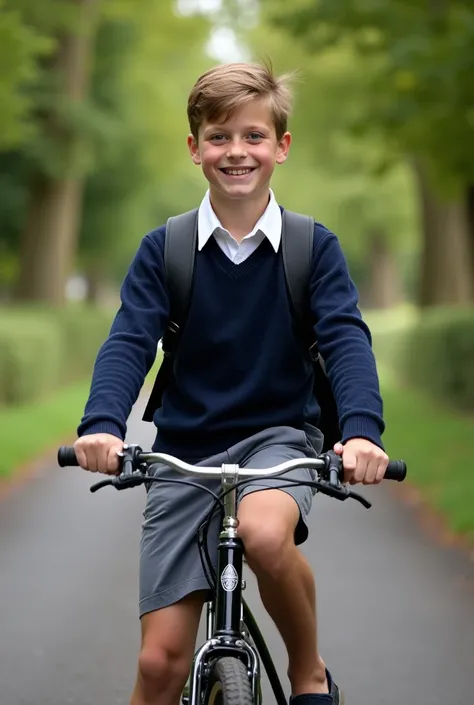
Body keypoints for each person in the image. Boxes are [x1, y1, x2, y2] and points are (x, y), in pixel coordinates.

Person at [74, 61, 388, 705]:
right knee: (160, 665)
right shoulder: (166, 250)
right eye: (218, 137)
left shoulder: (312, 248)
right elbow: (130, 339)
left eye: (253, 136)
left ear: (280, 146)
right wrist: (102, 425)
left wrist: (360, 433)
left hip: (280, 439)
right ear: (194, 149)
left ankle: (308, 673)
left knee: (265, 532)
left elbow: (345, 340)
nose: (236, 151)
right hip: (184, 452)